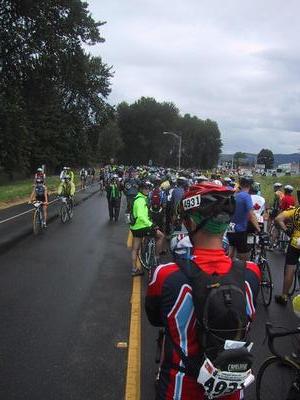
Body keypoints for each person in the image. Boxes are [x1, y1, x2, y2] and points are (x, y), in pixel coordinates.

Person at [145, 182, 261, 400]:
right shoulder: (252, 273)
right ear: (226, 223)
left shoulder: (165, 274)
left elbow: (155, 318)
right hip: (231, 389)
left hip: (180, 387)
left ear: (189, 222)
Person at [130, 180, 164, 276]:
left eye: (148, 188)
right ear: (141, 189)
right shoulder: (141, 200)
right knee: (161, 236)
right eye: (145, 188)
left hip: (135, 227)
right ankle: (157, 258)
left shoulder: (138, 198)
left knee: (135, 248)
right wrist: (151, 225)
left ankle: (134, 269)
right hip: (142, 226)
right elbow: (141, 216)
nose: (147, 190)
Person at [227, 176, 260, 261]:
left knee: (231, 256)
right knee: (244, 260)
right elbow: (251, 214)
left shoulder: (235, 195)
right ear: (250, 185)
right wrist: (259, 229)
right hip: (240, 230)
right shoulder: (246, 196)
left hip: (230, 229)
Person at [275, 205, 300, 305]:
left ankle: (284, 296)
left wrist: (286, 229)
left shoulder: (295, 211)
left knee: (290, 269)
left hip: (295, 242)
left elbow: (278, 219)